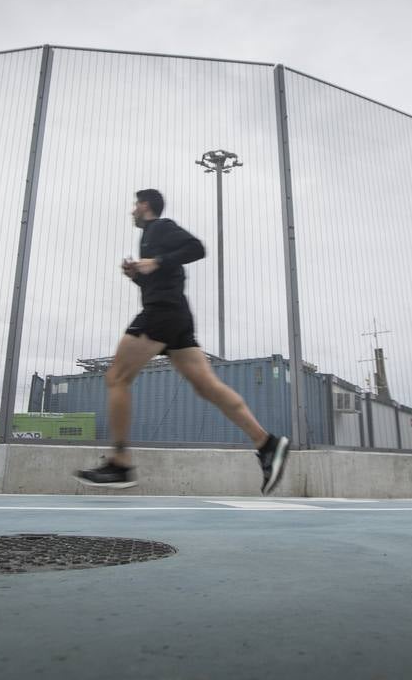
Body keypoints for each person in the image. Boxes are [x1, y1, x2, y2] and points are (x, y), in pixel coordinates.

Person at [75, 189, 291, 494]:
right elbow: (163, 274)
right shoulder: (149, 237)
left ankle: (120, 463)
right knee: (207, 387)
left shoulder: (160, 227)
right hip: (177, 317)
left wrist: (156, 261)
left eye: (135, 204)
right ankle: (267, 443)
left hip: (162, 313)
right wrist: (137, 274)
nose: (132, 210)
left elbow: (196, 248)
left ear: (146, 205)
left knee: (116, 378)